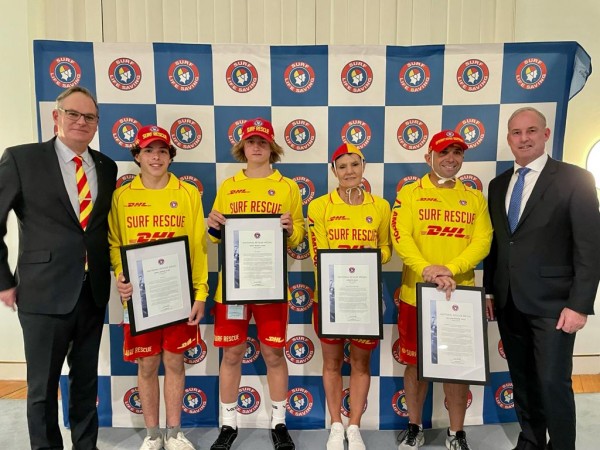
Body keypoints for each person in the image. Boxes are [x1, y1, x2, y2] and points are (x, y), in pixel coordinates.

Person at [0, 86, 117, 450]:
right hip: (42, 292)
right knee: (41, 389)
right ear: (56, 117)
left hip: (92, 292)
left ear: (97, 124)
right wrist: (3, 282)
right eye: (73, 114)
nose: (81, 122)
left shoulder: (106, 166)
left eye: (90, 117)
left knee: (86, 384)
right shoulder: (21, 159)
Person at [483, 107, 600, 450]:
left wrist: (579, 305)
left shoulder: (575, 179)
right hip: (508, 300)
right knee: (523, 380)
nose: (524, 139)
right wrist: (490, 292)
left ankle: (562, 446)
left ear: (545, 135)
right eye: (516, 133)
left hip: (555, 304)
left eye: (531, 131)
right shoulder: (498, 184)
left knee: (552, 381)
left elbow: (590, 249)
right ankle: (531, 439)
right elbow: (498, 243)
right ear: (508, 139)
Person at [206, 118, 305, 450]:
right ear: (243, 147)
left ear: (272, 146)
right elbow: (215, 239)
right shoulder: (229, 185)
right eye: (251, 141)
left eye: (263, 141)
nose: (257, 146)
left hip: (271, 286)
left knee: (274, 353)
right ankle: (228, 423)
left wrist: (292, 228)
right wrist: (215, 226)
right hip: (233, 288)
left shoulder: (287, 187)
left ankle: (278, 421)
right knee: (232, 353)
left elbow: (300, 237)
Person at [108, 125, 208, 450]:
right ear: (137, 155)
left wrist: (201, 292)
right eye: (149, 150)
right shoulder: (122, 196)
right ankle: (153, 436)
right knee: (147, 363)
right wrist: (121, 276)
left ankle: (175, 432)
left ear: (170, 156)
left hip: (178, 296)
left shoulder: (187, 193)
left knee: (175, 362)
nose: (156, 157)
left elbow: (198, 247)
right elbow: (114, 243)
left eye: (162, 151)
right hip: (139, 297)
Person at [391, 130, 492, 450]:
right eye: (444, 152)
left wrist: (451, 268)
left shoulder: (474, 197)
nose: (451, 159)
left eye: (457, 153)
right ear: (428, 157)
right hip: (415, 293)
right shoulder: (409, 193)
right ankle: (414, 426)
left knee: (458, 367)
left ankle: (456, 432)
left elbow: (483, 241)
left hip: (458, 294)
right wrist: (427, 269)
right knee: (415, 365)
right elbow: (400, 236)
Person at [307, 143, 392, 450]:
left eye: (354, 165)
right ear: (334, 171)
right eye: (342, 167)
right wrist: (351, 262)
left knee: (361, 363)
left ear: (363, 167)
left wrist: (368, 257)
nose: (349, 172)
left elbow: (386, 250)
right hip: (329, 297)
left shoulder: (380, 206)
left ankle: (354, 425)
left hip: (365, 297)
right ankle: (335, 424)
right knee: (331, 364)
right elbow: (318, 254)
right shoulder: (319, 206)